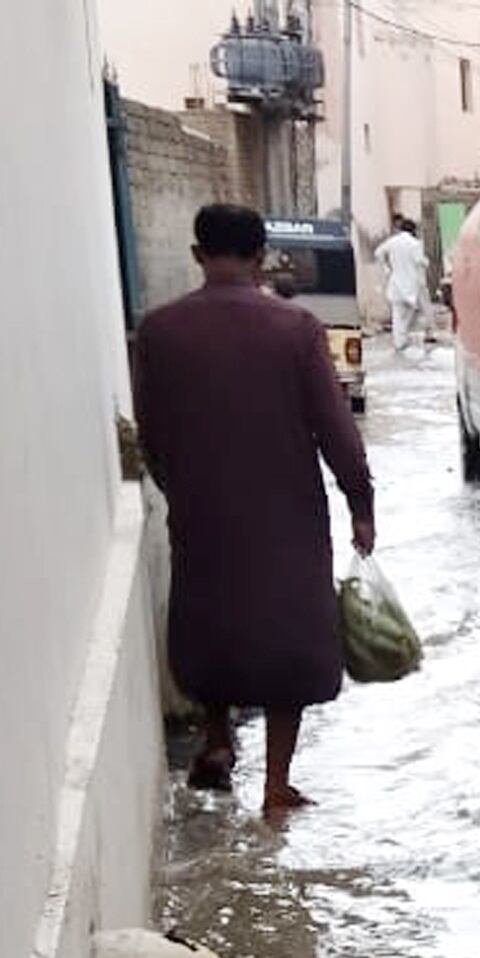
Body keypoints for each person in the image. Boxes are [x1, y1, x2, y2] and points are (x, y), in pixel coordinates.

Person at [133, 204, 376, 820]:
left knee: (212, 622)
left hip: (201, 509)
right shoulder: (295, 329)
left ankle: (216, 739)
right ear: (263, 256)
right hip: (287, 516)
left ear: (197, 255)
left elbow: (151, 433)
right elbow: (336, 431)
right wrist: (361, 503)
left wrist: (178, 487)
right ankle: (275, 784)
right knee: (287, 641)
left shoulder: (158, 331)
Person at [375, 215, 430, 355]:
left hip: (396, 284)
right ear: (413, 230)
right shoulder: (415, 244)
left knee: (398, 316)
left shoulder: (393, 241)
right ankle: (403, 340)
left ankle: (399, 342)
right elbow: (419, 261)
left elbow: (378, 253)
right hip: (411, 285)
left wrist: (386, 268)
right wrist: (426, 262)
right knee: (410, 314)